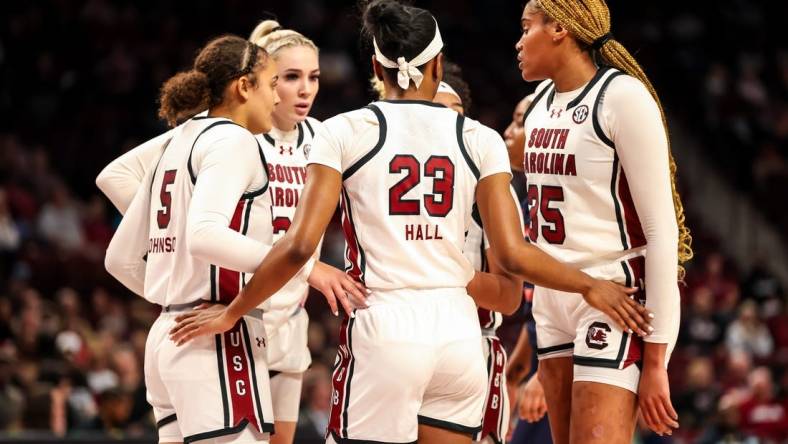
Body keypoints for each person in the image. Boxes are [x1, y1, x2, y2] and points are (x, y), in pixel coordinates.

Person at [170, 2, 651, 443]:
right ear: (438, 66)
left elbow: (297, 248)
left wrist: (233, 311)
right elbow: (512, 256)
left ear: (377, 69)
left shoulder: (345, 131)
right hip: (460, 336)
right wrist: (589, 285)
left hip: (387, 329)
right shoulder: (480, 138)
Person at [98, 23, 362, 444]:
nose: (283, 94)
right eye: (278, 81)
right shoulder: (231, 140)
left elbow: (119, 259)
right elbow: (203, 233)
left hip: (178, 328)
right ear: (245, 86)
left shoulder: (183, 139)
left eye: (310, 77)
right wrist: (290, 264)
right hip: (223, 328)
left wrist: (174, 291)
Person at [515, 0, 693, 441]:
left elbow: (661, 232)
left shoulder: (622, 97)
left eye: (526, 28)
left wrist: (656, 362)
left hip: (613, 294)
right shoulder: (537, 103)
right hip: (552, 298)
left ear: (559, 28)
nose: (518, 42)